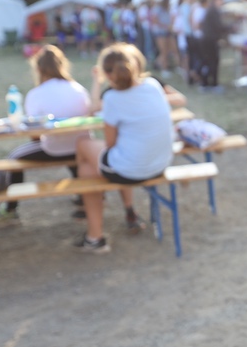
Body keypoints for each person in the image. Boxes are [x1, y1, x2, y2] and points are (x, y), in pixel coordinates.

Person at [74, 43, 174, 253]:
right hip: (161, 163)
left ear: (107, 74)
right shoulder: (153, 85)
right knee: (102, 163)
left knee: (84, 148)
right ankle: (125, 212)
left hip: (133, 169)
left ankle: (94, 233)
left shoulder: (112, 98)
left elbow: (110, 144)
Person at [0, 45, 92, 226]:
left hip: (55, 148)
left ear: (38, 69)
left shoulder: (36, 94)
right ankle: (82, 197)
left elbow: (34, 134)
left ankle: (10, 208)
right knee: (72, 153)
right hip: (82, 147)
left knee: (14, 159)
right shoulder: (78, 88)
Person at [199, 0, 228, 92]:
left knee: (207, 62)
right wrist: (231, 28)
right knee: (213, 62)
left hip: (207, 39)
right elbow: (219, 26)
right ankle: (213, 84)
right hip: (210, 40)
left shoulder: (211, 9)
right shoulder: (214, 10)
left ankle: (206, 84)